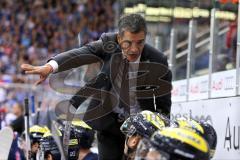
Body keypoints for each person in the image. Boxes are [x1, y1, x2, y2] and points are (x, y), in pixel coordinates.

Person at [21, 14, 172, 159]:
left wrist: (159, 128)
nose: (134, 49)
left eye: (140, 42)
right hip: (109, 125)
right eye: (128, 43)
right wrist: (50, 67)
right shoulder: (108, 44)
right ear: (119, 39)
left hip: (142, 130)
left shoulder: (158, 60)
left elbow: (163, 105)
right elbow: (80, 54)